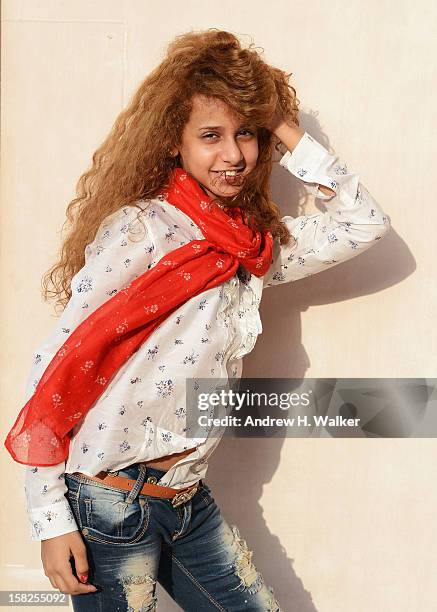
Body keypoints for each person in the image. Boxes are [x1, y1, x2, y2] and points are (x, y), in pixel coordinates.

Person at [4, 28, 391, 611]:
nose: (233, 155)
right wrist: (48, 518)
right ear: (173, 143)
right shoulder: (142, 230)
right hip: (107, 503)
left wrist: (283, 123)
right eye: (210, 136)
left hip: (187, 498)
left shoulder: (251, 249)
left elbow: (364, 223)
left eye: (247, 135)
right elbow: (60, 367)